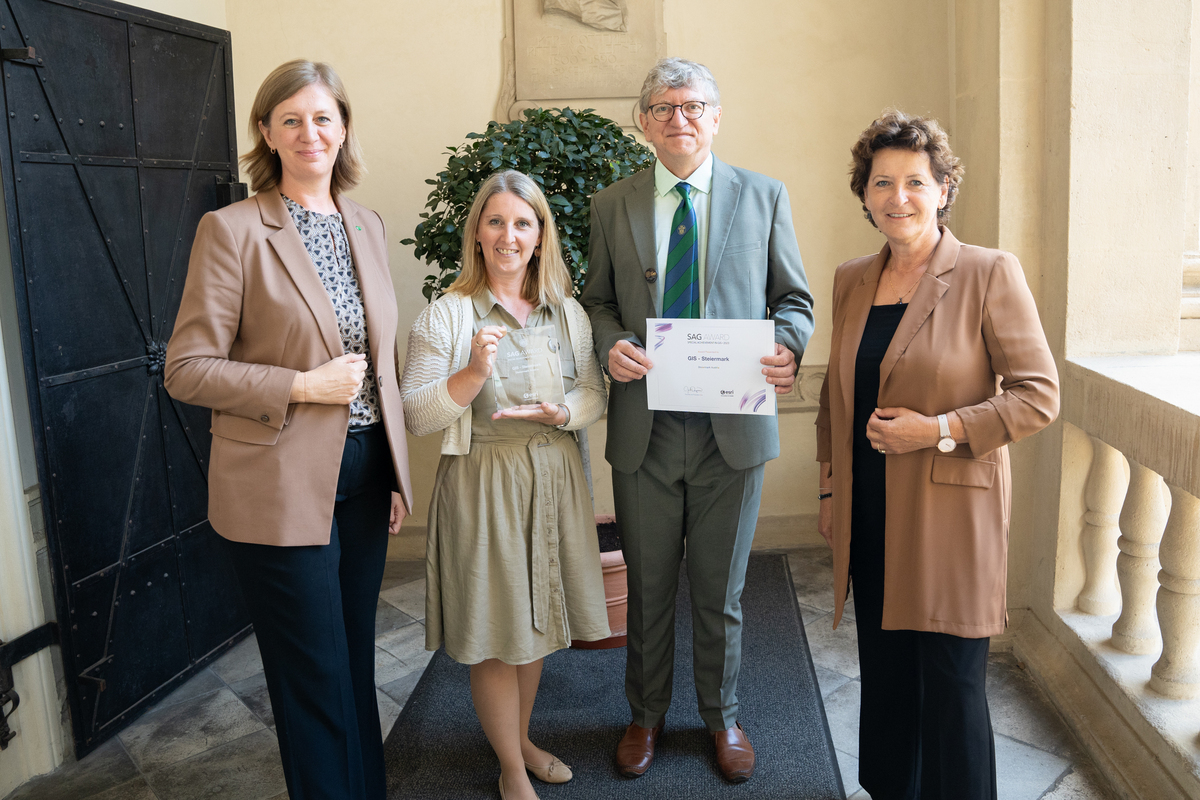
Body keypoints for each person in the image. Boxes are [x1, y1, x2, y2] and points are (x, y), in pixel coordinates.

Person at [164, 60, 412, 800]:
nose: (311, 132)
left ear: (344, 129)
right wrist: (300, 386)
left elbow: (382, 361)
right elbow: (186, 369)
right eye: (293, 118)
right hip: (277, 483)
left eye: (325, 117)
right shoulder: (233, 230)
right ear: (267, 132)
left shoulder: (366, 223)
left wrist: (395, 472)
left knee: (352, 660)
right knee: (313, 673)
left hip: (365, 473)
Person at [579, 57, 814, 783]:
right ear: (644, 122)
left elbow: (794, 301)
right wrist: (611, 342)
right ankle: (644, 717)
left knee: (721, 591)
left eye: (693, 106)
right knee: (647, 590)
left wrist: (788, 345)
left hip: (731, 433)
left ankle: (724, 717)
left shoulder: (763, 196)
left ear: (716, 116)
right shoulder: (611, 205)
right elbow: (595, 302)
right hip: (645, 431)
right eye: (663, 107)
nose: (678, 118)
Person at [815, 110, 1059, 800]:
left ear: (945, 188)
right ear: (864, 194)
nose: (899, 197)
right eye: (883, 182)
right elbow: (839, 396)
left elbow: (1039, 396)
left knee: (951, 684)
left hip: (951, 512)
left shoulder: (988, 272)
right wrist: (831, 491)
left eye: (915, 181)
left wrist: (939, 428)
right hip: (870, 511)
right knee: (887, 674)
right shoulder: (851, 279)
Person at [401, 170, 610, 800]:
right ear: (477, 234)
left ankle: (519, 741)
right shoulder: (447, 314)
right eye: (495, 222)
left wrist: (563, 413)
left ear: (541, 235)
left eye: (523, 222)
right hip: (484, 484)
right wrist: (470, 373)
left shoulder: (566, 311)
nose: (509, 235)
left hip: (554, 478)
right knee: (497, 632)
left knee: (536, 624)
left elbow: (593, 394)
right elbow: (416, 414)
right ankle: (513, 772)